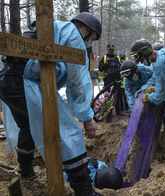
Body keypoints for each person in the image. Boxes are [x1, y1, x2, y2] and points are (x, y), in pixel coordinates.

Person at [0, 12, 102, 196]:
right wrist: (87, 118)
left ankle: (25, 169)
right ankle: (84, 189)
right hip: (23, 82)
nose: (89, 43)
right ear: (86, 29)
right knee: (68, 131)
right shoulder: (73, 33)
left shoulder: (56, 30)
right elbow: (77, 81)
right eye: (91, 39)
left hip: (7, 81)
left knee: (27, 126)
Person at [99, 44, 124, 122]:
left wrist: (121, 65)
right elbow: (100, 68)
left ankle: (118, 111)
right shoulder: (104, 58)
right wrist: (106, 64)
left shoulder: (117, 57)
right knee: (108, 97)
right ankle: (108, 113)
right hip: (108, 80)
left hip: (117, 79)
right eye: (110, 49)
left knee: (118, 96)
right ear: (107, 49)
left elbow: (121, 67)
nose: (111, 50)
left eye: (112, 49)